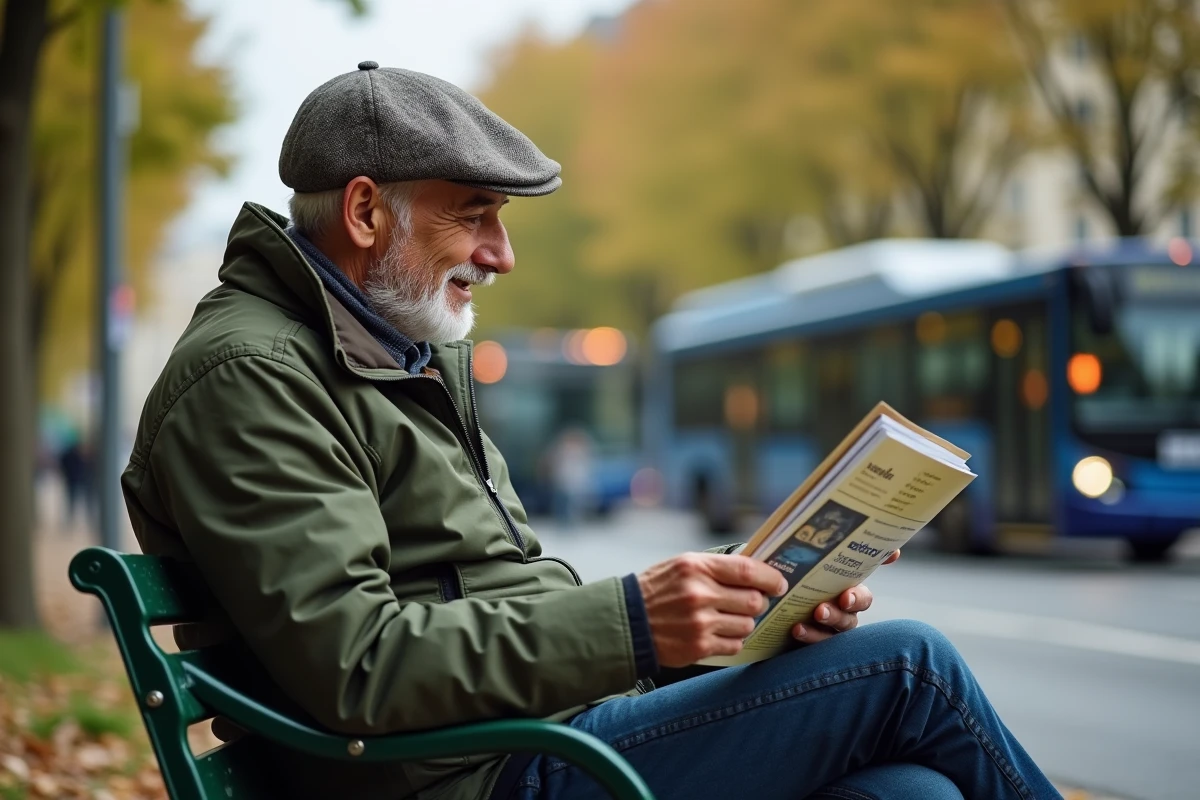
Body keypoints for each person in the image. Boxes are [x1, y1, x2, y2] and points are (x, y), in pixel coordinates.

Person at [122, 63, 1062, 800]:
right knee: (911, 669)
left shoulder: (397, 353)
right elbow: (357, 665)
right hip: (472, 777)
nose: (503, 254)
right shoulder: (253, 375)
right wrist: (635, 624)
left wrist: (740, 600)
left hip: (518, 746)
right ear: (367, 212)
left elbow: (497, 599)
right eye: (476, 216)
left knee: (915, 790)